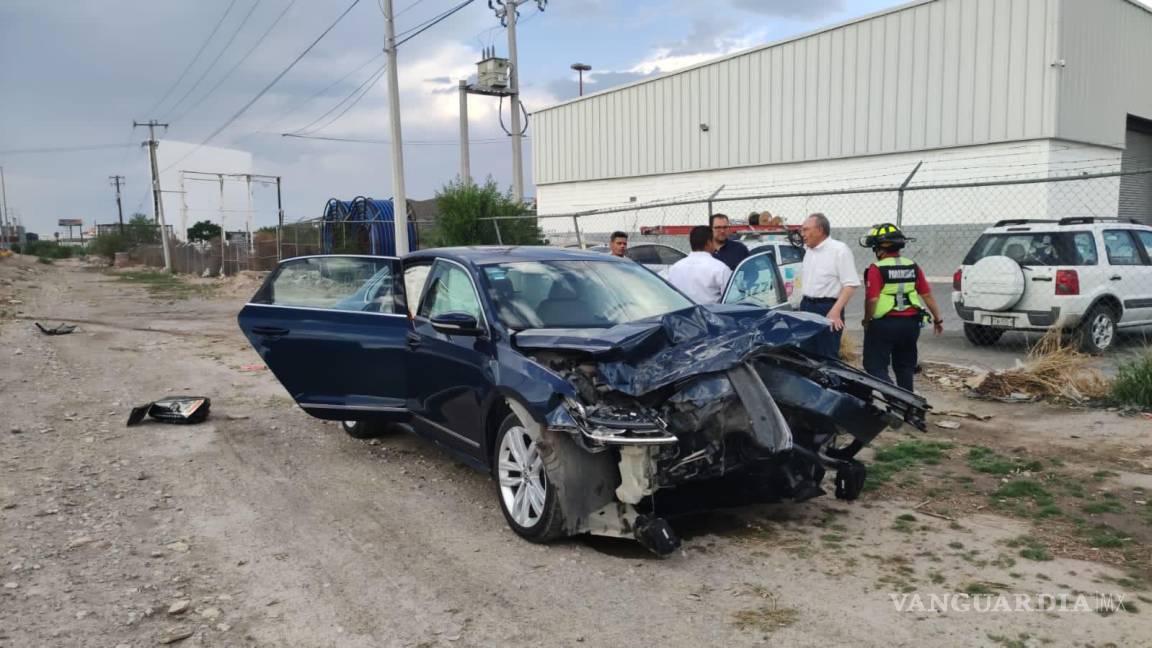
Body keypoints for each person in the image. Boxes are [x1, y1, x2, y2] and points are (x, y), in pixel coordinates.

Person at [860, 223, 943, 391]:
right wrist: (937, 319)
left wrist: (867, 320)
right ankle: (911, 411)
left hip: (884, 324)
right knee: (904, 367)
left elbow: (872, 299)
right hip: (911, 324)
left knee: (874, 366)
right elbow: (926, 295)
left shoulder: (877, 268)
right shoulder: (912, 266)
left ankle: (896, 401)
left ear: (880, 249)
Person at [798, 213, 859, 358]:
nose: (802, 234)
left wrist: (835, 311)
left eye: (806, 230)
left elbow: (850, 284)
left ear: (819, 230)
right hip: (807, 306)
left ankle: (830, 381)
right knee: (806, 354)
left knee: (827, 357)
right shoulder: (809, 251)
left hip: (827, 309)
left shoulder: (839, 250)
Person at [666, 225, 733, 304]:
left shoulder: (674, 269)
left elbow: (668, 296)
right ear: (709, 242)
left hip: (681, 314)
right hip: (712, 314)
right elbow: (732, 298)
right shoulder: (720, 268)